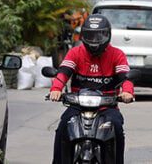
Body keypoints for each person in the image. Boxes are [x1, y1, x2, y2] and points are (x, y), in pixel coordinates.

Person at [49, 14, 134, 164]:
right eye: (90, 35)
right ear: (83, 35)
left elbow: (125, 78)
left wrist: (127, 92)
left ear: (107, 35)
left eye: (99, 36)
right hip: (77, 106)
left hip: (107, 108)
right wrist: (56, 89)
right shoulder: (75, 52)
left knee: (117, 129)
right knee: (62, 128)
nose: (94, 41)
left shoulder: (117, 55)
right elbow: (64, 72)